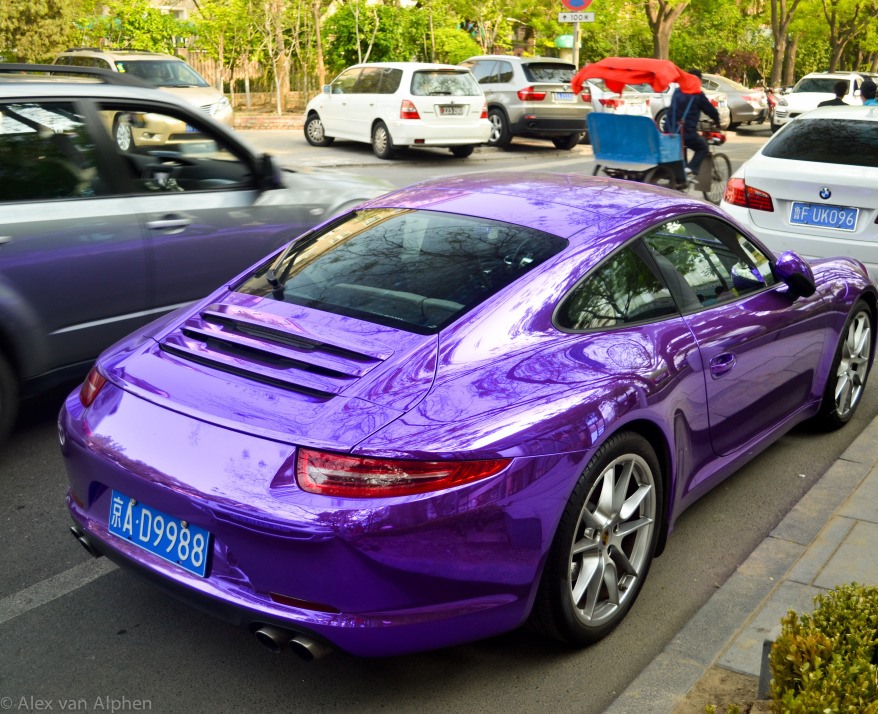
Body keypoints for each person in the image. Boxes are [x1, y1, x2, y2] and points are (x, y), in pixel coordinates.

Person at [668, 69, 721, 183]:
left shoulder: (677, 91)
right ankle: (691, 169)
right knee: (703, 147)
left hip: (670, 131)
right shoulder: (698, 95)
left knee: (682, 147)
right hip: (686, 133)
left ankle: (682, 177)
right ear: (698, 81)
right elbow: (711, 111)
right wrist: (718, 121)